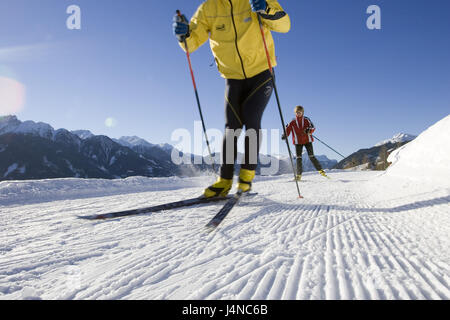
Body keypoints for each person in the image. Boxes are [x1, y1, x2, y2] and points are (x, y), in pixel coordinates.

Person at [173, 0, 290, 197]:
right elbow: (190, 44)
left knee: (251, 118)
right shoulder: (208, 8)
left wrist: (266, 10)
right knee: (231, 126)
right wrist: (183, 34)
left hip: (262, 72)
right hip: (232, 78)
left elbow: (284, 25)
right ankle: (224, 181)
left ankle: (246, 177)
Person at [282, 106, 328, 181]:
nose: (298, 113)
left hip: (307, 140)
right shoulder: (292, 122)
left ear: (302, 112)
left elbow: (313, 127)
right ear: (295, 113)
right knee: (298, 159)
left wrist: (309, 130)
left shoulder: (307, 120)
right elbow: (288, 130)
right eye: (297, 112)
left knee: (311, 156)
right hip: (298, 142)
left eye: (300, 112)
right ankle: (298, 175)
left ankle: (321, 171)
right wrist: (285, 135)